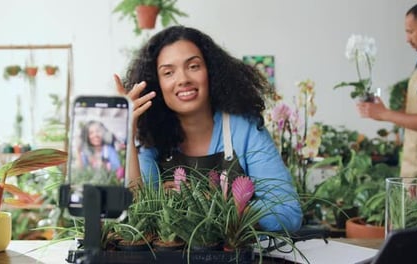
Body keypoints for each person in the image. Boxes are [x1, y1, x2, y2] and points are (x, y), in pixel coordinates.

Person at [114, 25, 302, 232]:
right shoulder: (148, 136)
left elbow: (287, 212)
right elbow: (137, 214)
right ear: (156, 84)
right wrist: (129, 134)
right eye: (168, 72)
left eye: (193, 66)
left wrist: (214, 204)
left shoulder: (244, 129)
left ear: (211, 71)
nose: (183, 79)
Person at [357, 2, 417, 221]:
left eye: (410, 31)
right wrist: (384, 109)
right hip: (413, 164)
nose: (407, 38)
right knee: (412, 229)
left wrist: (384, 114)